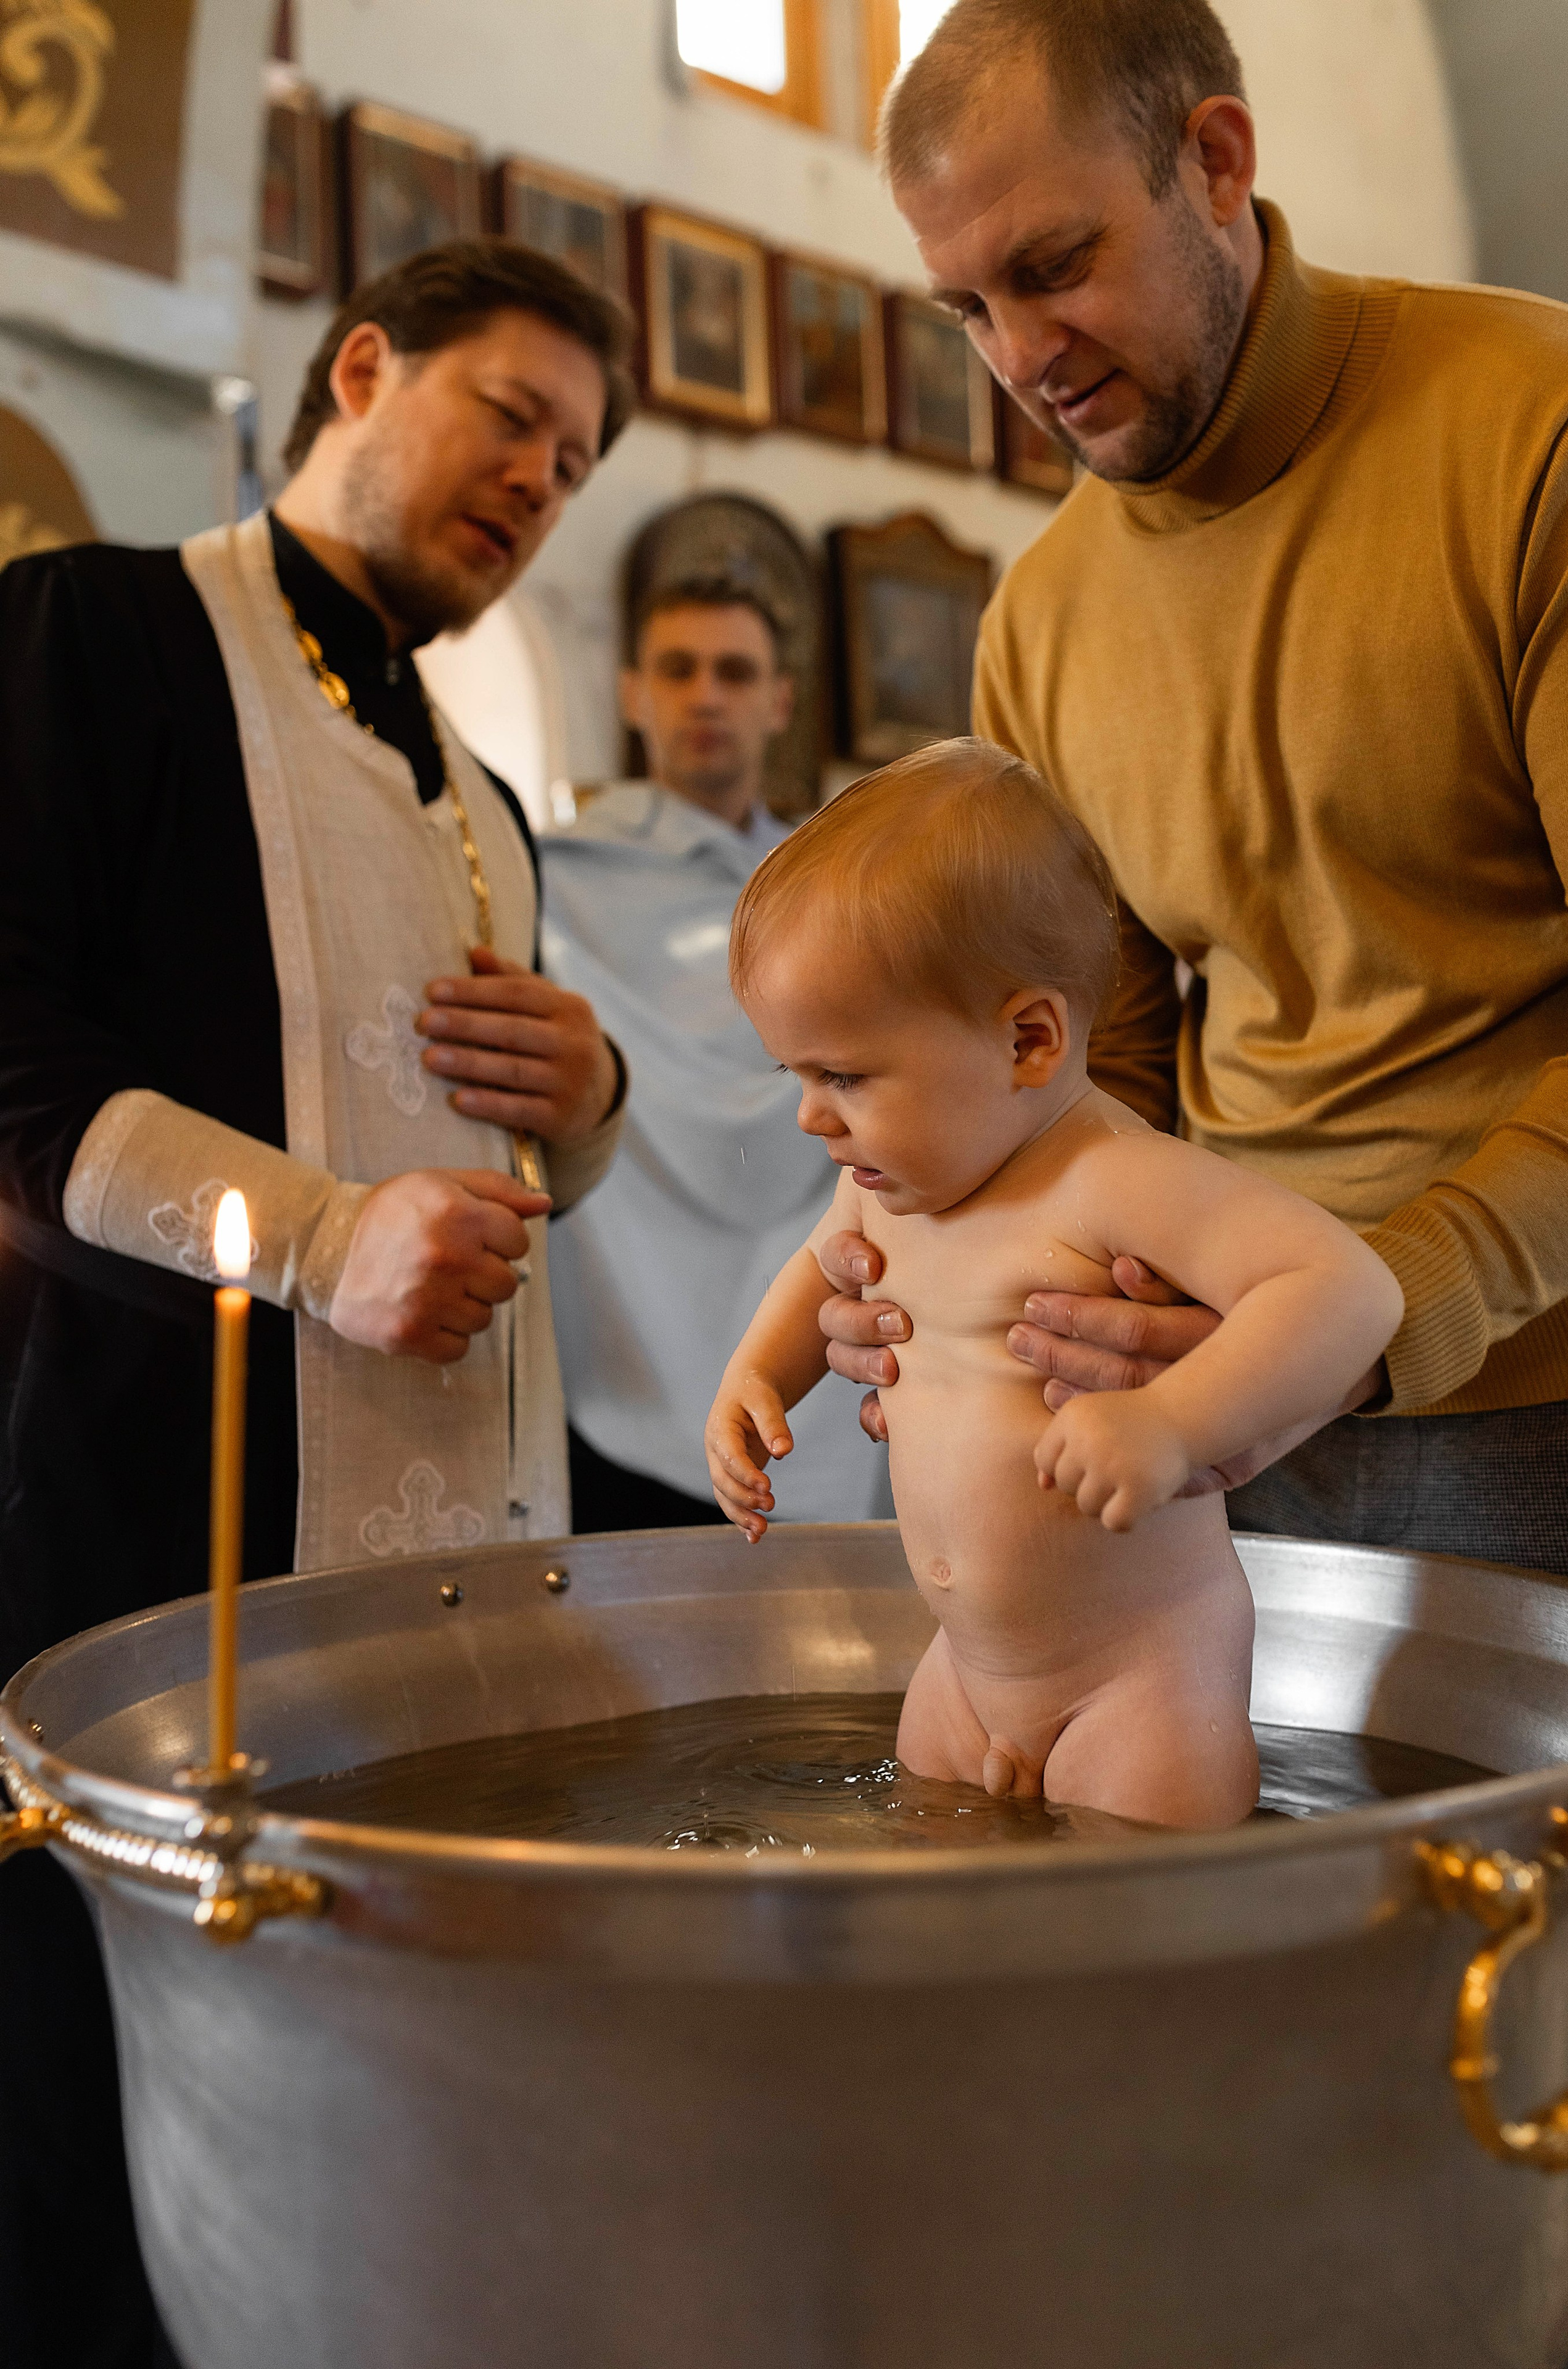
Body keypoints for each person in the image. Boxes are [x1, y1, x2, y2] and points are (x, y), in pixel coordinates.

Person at [0, 238, 633, 2369]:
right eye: (512, 416)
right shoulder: (99, 632)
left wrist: (601, 1098)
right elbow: (12, 1061)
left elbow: (513, 1183)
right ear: (363, 366)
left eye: (576, 461)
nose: (544, 481)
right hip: (147, 1542)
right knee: (112, 2156)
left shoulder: (493, 802)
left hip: (459, 1574)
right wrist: (324, 1234)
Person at [819, 0, 1568, 1582]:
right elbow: (1094, 1067)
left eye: (1052, 267)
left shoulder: (1534, 432)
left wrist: (1376, 1314)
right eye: (964, 306)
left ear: (1215, 162)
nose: (1019, 360)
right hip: (1208, 1399)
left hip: (1538, 1393)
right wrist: (960, 1260)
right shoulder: (1037, 617)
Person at [706, 742, 1400, 1824]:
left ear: (1029, 1040)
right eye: (795, 1074)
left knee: (1141, 1943)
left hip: (1139, 1681)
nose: (811, 1115)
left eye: (843, 1075)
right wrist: (757, 1375)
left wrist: (1171, 1418)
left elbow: (1348, 1290)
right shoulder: (894, 1181)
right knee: (938, 1924)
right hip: (965, 1675)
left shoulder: (1114, 1179)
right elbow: (817, 1266)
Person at [542, 574, 889, 1529]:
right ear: (632, 694)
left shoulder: (841, 882)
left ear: (779, 700)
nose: (705, 695)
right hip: (633, 1317)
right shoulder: (558, 881)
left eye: (735, 672)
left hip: (808, 1266)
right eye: (677, 669)